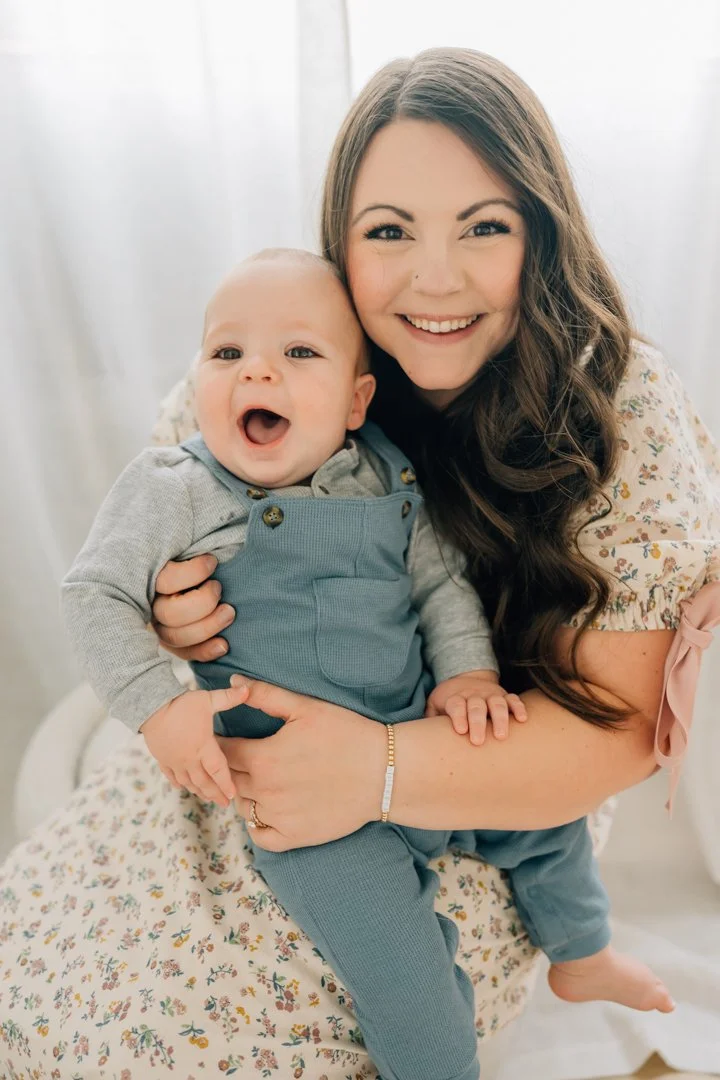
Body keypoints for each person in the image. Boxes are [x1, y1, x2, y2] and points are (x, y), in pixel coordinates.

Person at [1, 47, 718, 1078]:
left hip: (487, 751)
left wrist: (386, 762)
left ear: (542, 233)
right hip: (257, 754)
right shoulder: (295, 355)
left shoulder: (616, 407)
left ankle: (578, 954)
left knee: (392, 982)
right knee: (116, 1004)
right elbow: (142, 541)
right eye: (389, 232)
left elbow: (605, 727)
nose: (436, 275)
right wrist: (175, 614)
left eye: (486, 226)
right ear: (340, 244)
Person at [61, 247, 674, 1080]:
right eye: (227, 353)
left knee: (547, 820)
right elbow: (92, 592)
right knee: (408, 978)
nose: (258, 376)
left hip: (422, 739)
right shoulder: (176, 486)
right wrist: (157, 706)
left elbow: (440, 583)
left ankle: (582, 951)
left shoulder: (386, 470)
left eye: (299, 354)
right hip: (307, 802)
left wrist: (467, 677)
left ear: (356, 402)